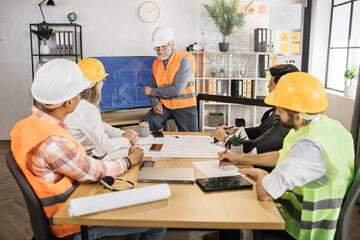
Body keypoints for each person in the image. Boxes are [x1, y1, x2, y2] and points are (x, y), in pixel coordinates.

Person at [10, 59, 166, 240]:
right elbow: (94, 171)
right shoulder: (53, 142)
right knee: (156, 221)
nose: (81, 97)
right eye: (78, 93)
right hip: (71, 220)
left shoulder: (27, 126)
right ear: (68, 102)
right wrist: (129, 161)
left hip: (68, 202)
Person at [219, 72, 354, 239]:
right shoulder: (330, 128)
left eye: (280, 111)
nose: (276, 113)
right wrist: (239, 159)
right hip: (310, 214)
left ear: (297, 116)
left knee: (231, 198)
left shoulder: (309, 146)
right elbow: (281, 155)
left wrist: (262, 174)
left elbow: (265, 193)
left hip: (301, 227)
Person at [211, 64, 299, 155]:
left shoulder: (286, 119)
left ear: (282, 88)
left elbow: (255, 147)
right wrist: (235, 130)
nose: (268, 87)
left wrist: (225, 137)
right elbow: (259, 131)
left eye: (271, 84)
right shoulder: (280, 109)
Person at [64, 58, 138, 158]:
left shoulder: (76, 104)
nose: (102, 84)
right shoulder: (86, 109)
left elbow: (102, 127)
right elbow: (105, 147)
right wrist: (125, 139)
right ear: (95, 84)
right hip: (86, 161)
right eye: (102, 80)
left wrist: (124, 134)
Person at [143, 26, 198, 132]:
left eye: (163, 46)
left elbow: (177, 90)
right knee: (147, 125)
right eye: (157, 47)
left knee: (191, 139)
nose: (160, 51)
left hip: (185, 106)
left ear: (171, 44)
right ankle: (155, 147)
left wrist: (152, 91)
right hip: (164, 106)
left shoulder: (184, 60)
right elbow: (153, 88)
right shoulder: (156, 63)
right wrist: (155, 104)